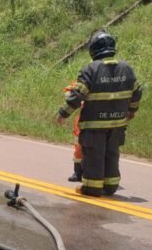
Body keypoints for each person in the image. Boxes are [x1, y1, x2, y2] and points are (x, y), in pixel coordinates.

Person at [56, 31, 142, 196]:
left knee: (94, 156)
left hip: (94, 125)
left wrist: (63, 113)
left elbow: (78, 94)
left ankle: (92, 188)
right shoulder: (127, 68)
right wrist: (131, 110)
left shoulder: (91, 69)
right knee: (112, 155)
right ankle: (110, 186)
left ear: (93, 50)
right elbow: (137, 91)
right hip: (117, 124)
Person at [62, 81, 84, 182]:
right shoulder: (87, 80)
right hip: (83, 120)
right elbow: (68, 91)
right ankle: (78, 173)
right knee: (79, 146)